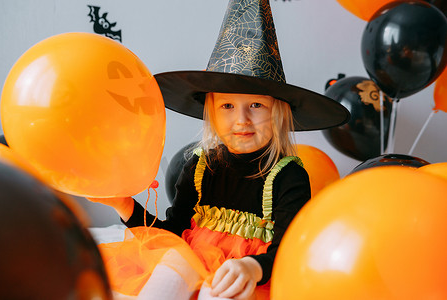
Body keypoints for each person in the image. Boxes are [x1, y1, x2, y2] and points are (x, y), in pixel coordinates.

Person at [89, 0, 350, 299]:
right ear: (211, 112)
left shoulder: (288, 177)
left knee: (223, 292)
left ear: (278, 112)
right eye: (227, 106)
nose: (241, 120)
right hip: (189, 262)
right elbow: (171, 236)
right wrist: (124, 205)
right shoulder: (200, 168)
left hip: (247, 277)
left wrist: (252, 267)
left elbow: (289, 250)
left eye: (256, 105)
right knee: (169, 269)